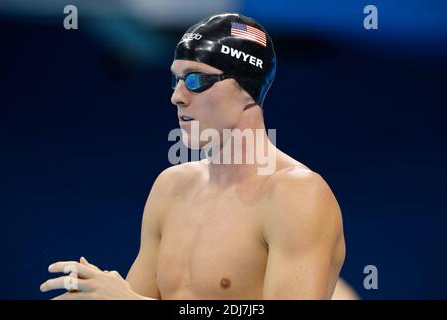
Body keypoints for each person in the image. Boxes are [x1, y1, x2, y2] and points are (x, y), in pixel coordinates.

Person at [40, 12, 346, 300]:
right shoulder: (171, 187)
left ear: (246, 89)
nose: (177, 96)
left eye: (196, 80)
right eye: (176, 80)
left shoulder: (296, 195)